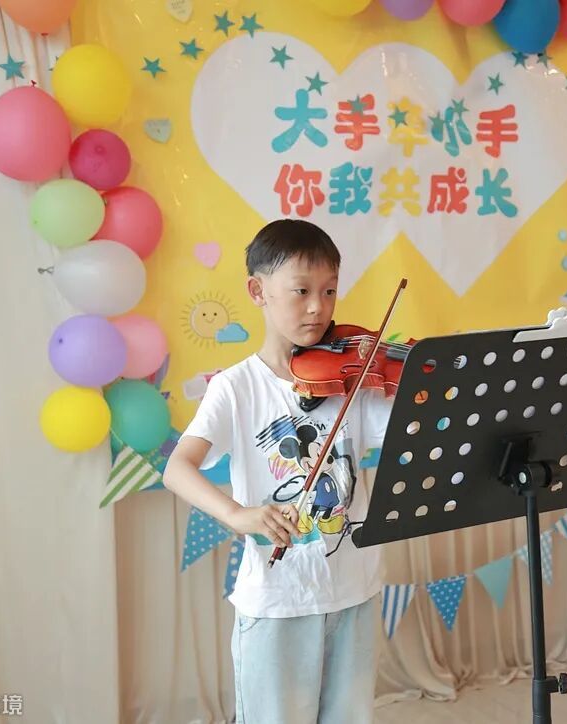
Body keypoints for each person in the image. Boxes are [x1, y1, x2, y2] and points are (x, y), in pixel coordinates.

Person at [164, 218, 393, 723]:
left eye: (330, 290)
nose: (318, 307)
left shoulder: (351, 380)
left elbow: (406, 429)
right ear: (258, 291)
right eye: (301, 290)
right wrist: (237, 514)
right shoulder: (236, 388)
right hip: (277, 602)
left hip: (354, 590)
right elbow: (177, 468)